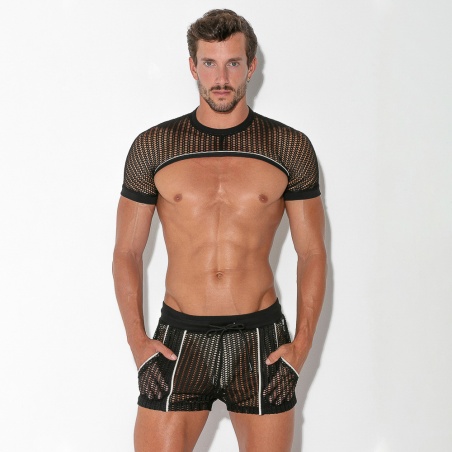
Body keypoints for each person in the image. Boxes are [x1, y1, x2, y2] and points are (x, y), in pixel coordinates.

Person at [113, 9, 326, 452]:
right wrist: (137, 343)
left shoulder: (288, 147)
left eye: (233, 63)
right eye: (210, 63)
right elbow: (126, 252)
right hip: (179, 342)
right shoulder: (155, 146)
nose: (221, 77)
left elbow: (312, 252)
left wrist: (301, 346)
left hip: (261, 343)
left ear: (251, 65)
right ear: (193, 67)